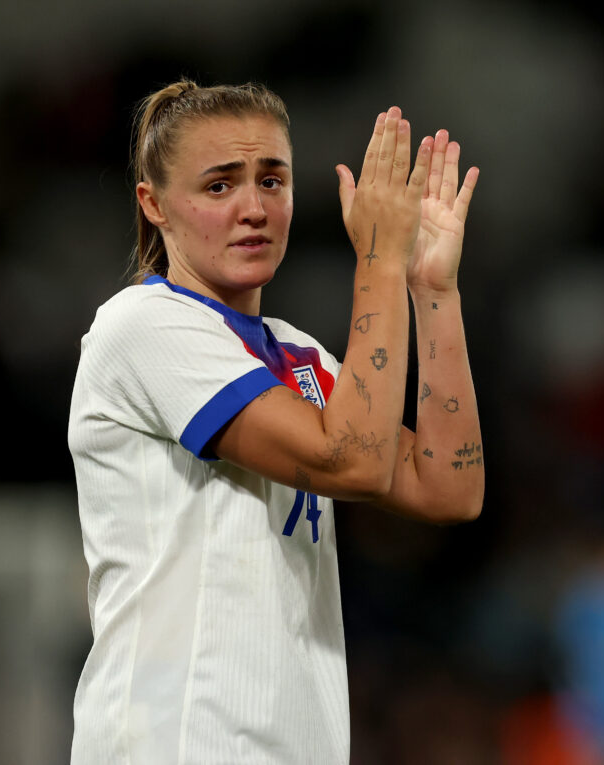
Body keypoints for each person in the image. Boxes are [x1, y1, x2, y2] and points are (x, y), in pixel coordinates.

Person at [67, 79, 483, 764]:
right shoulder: (142, 327)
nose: (253, 208)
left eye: (272, 179)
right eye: (219, 185)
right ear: (155, 205)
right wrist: (377, 255)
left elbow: (449, 488)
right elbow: (349, 458)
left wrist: (431, 289)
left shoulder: (299, 357)